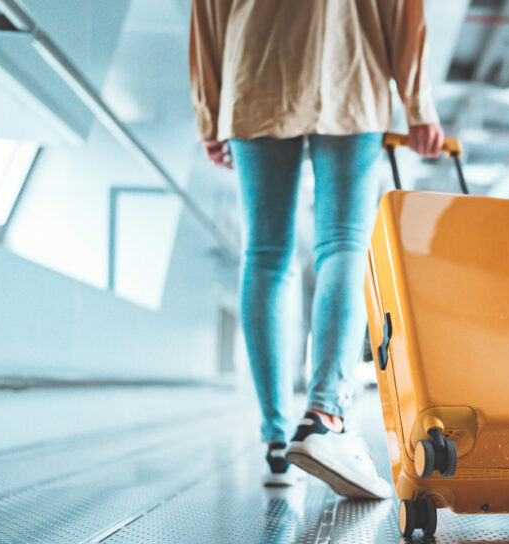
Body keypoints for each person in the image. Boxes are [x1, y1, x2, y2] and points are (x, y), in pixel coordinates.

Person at [189, 0, 443, 495]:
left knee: (264, 256)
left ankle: (276, 440)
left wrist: (209, 110)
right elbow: (403, 11)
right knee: (344, 245)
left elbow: (206, 14)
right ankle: (325, 415)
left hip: (254, 75)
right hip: (351, 71)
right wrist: (417, 103)